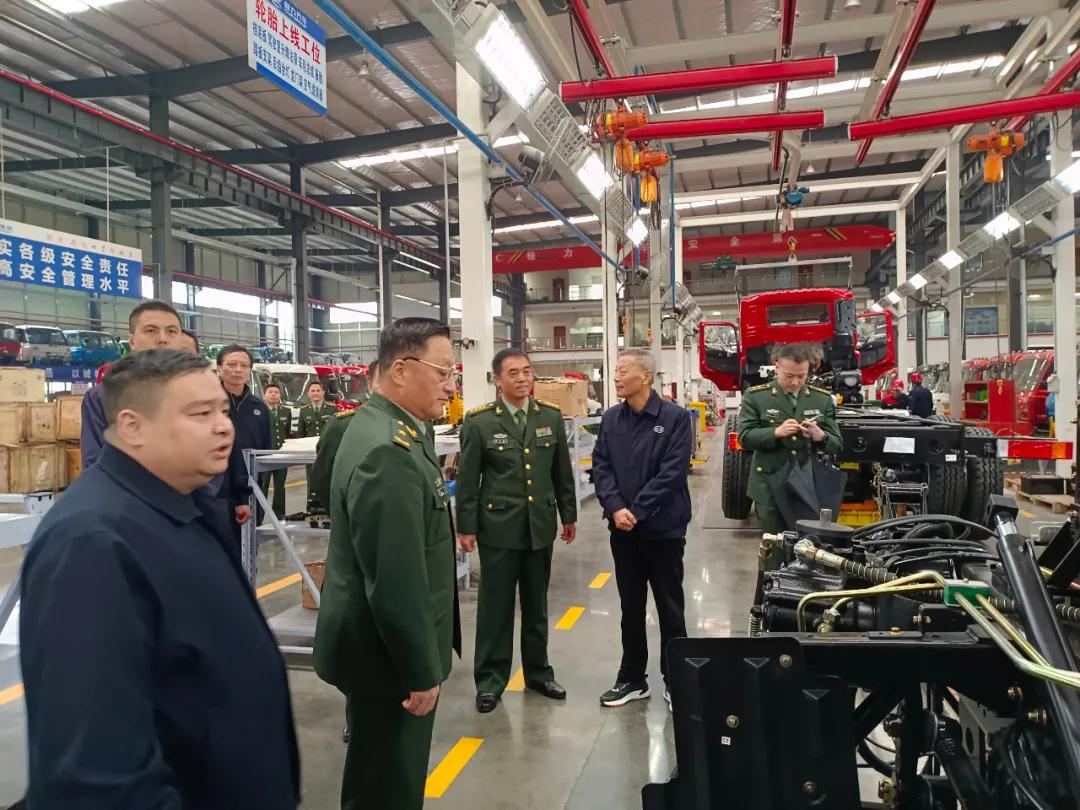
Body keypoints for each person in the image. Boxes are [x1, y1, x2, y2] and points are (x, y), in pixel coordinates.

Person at [20, 350, 299, 808]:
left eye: (223, 411)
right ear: (132, 427)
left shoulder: (181, 502)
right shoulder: (92, 545)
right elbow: (97, 778)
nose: (223, 426)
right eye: (200, 414)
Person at [314, 318, 461, 810]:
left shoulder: (387, 428)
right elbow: (395, 578)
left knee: (377, 775)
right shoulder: (388, 450)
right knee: (389, 785)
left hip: (378, 650)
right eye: (443, 371)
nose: (451, 385)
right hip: (389, 660)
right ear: (401, 369)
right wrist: (420, 669)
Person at [456, 348, 577, 714]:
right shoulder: (479, 422)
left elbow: (561, 472)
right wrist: (466, 527)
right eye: (513, 373)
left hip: (539, 526)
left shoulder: (550, 417)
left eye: (527, 371)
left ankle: (538, 673)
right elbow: (468, 480)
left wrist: (568, 515)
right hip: (498, 529)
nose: (523, 378)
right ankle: (490, 681)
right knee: (496, 608)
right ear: (497, 380)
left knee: (537, 605)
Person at [592, 348, 693, 709]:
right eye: (615, 371)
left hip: (663, 531)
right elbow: (601, 466)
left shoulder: (676, 418)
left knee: (670, 607)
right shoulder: (611, 419)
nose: (616, 377)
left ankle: (677, 680)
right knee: (630, 608)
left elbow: (672, 472)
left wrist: (636, 510)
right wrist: (615, 507)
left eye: (623, 371)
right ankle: (633, 678)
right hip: (624, 532)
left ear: (646, 377)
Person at [738, 342, 843, 534]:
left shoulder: (821, 399)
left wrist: (821, 436)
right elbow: (744, 438)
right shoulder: (756, 397)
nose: (795, 382)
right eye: (789, 376)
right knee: (775, 544)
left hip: (807, 485)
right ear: (776, 366)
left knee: (807, 544)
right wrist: (775, 432)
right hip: (769, 485)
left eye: (802, 376)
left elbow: (836, 444)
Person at [81, 300, 183, 469]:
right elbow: (94, 463)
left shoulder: (199, 393)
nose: (163, 339)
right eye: (151, 331)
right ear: (132, 341)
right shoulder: (103, 396)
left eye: (171, 331)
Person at [217, 345, 272, 541]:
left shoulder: (259, 408)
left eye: (244, 365)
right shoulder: (208, 404)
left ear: (250, 371)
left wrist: (251, 494)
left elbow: (266, 452)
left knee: (248, 547)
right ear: (219, 368)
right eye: (231, 364)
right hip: (215, 490)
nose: (238, 370)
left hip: (251, 492)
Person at [299, 380, 335, 511]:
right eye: (313, 391)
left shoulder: (333, 409)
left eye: (318, 391)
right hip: (310, 452)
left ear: (323, 393)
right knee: (311, 480)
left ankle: (328, 507)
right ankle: (312, 507)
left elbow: (336, 431)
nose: (315, 393)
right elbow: (301, 434)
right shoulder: (304, 411)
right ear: (308, 393)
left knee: (327, 479)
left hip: (327, 451)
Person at [262, 382, 293, 518]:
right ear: (264, 395)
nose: (273, 394)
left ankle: (279, 515)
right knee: (263, 486)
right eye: (270, 392)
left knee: (280, 486)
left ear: (280, 395)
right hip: (265, 454)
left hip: (282, 454)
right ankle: (259, 515)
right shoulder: (260, 411)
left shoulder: (286, 411)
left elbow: (286, 432)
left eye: (276, 392)